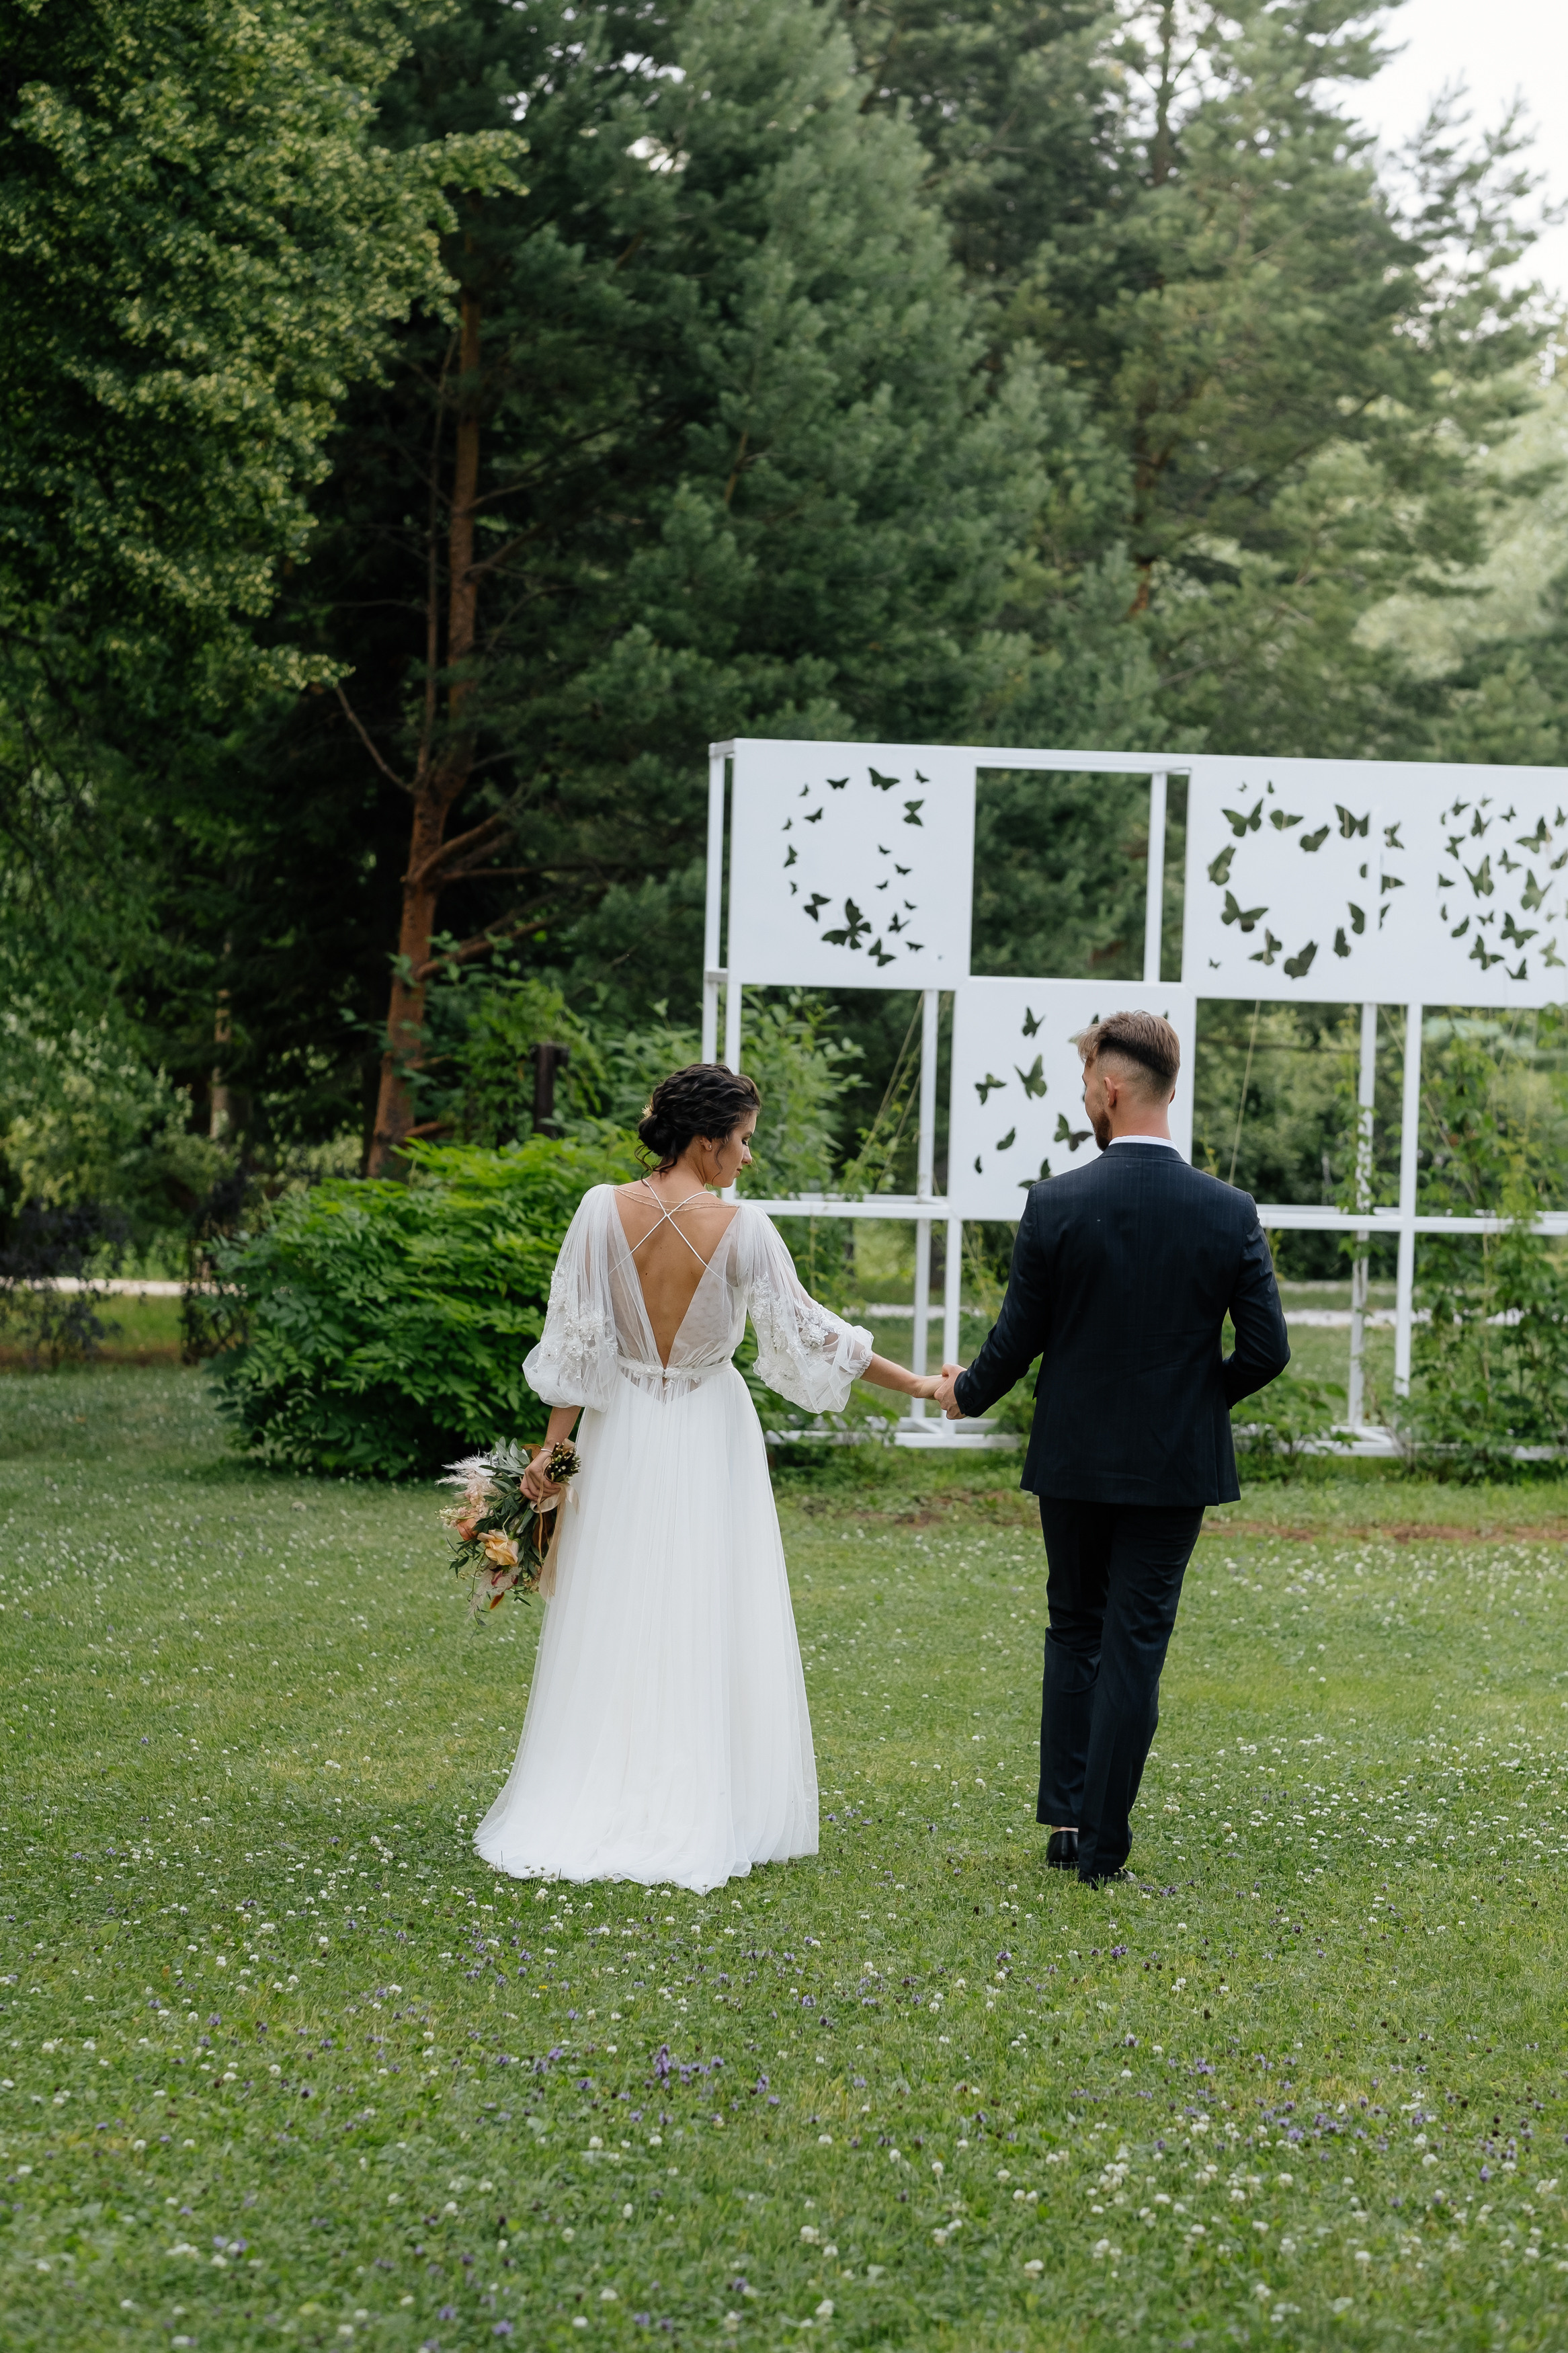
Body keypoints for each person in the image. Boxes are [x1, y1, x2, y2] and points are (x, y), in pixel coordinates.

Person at [474, 1062, 940, 1894]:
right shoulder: (744, 1230)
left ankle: (604, 1783)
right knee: (701, 1606)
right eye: (743, 1141)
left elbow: (575, 1345)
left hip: (618, 1432)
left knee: (617, 1607)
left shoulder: (596, 1210)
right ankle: (698, 1793)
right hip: (704, 1431)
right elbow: (810, 1336)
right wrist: (921, 1386)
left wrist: (553, 1453)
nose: (746, 1159)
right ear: (705, 1139)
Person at [932, 1010, 1290, 1886]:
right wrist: (1195, 1402)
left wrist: (962, 1392)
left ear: (1111, 1088)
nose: (1085, 1096)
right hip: (1174, 1465)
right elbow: (1266, 1349)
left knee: (1075, 1629)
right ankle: (1103, 1850)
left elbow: (1018, 1337)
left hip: (1075, 1459)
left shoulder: (1057, 1202)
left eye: (1086, 1082)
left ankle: (1066, 1824)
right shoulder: (1227, 1210)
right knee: (1134, 1641)